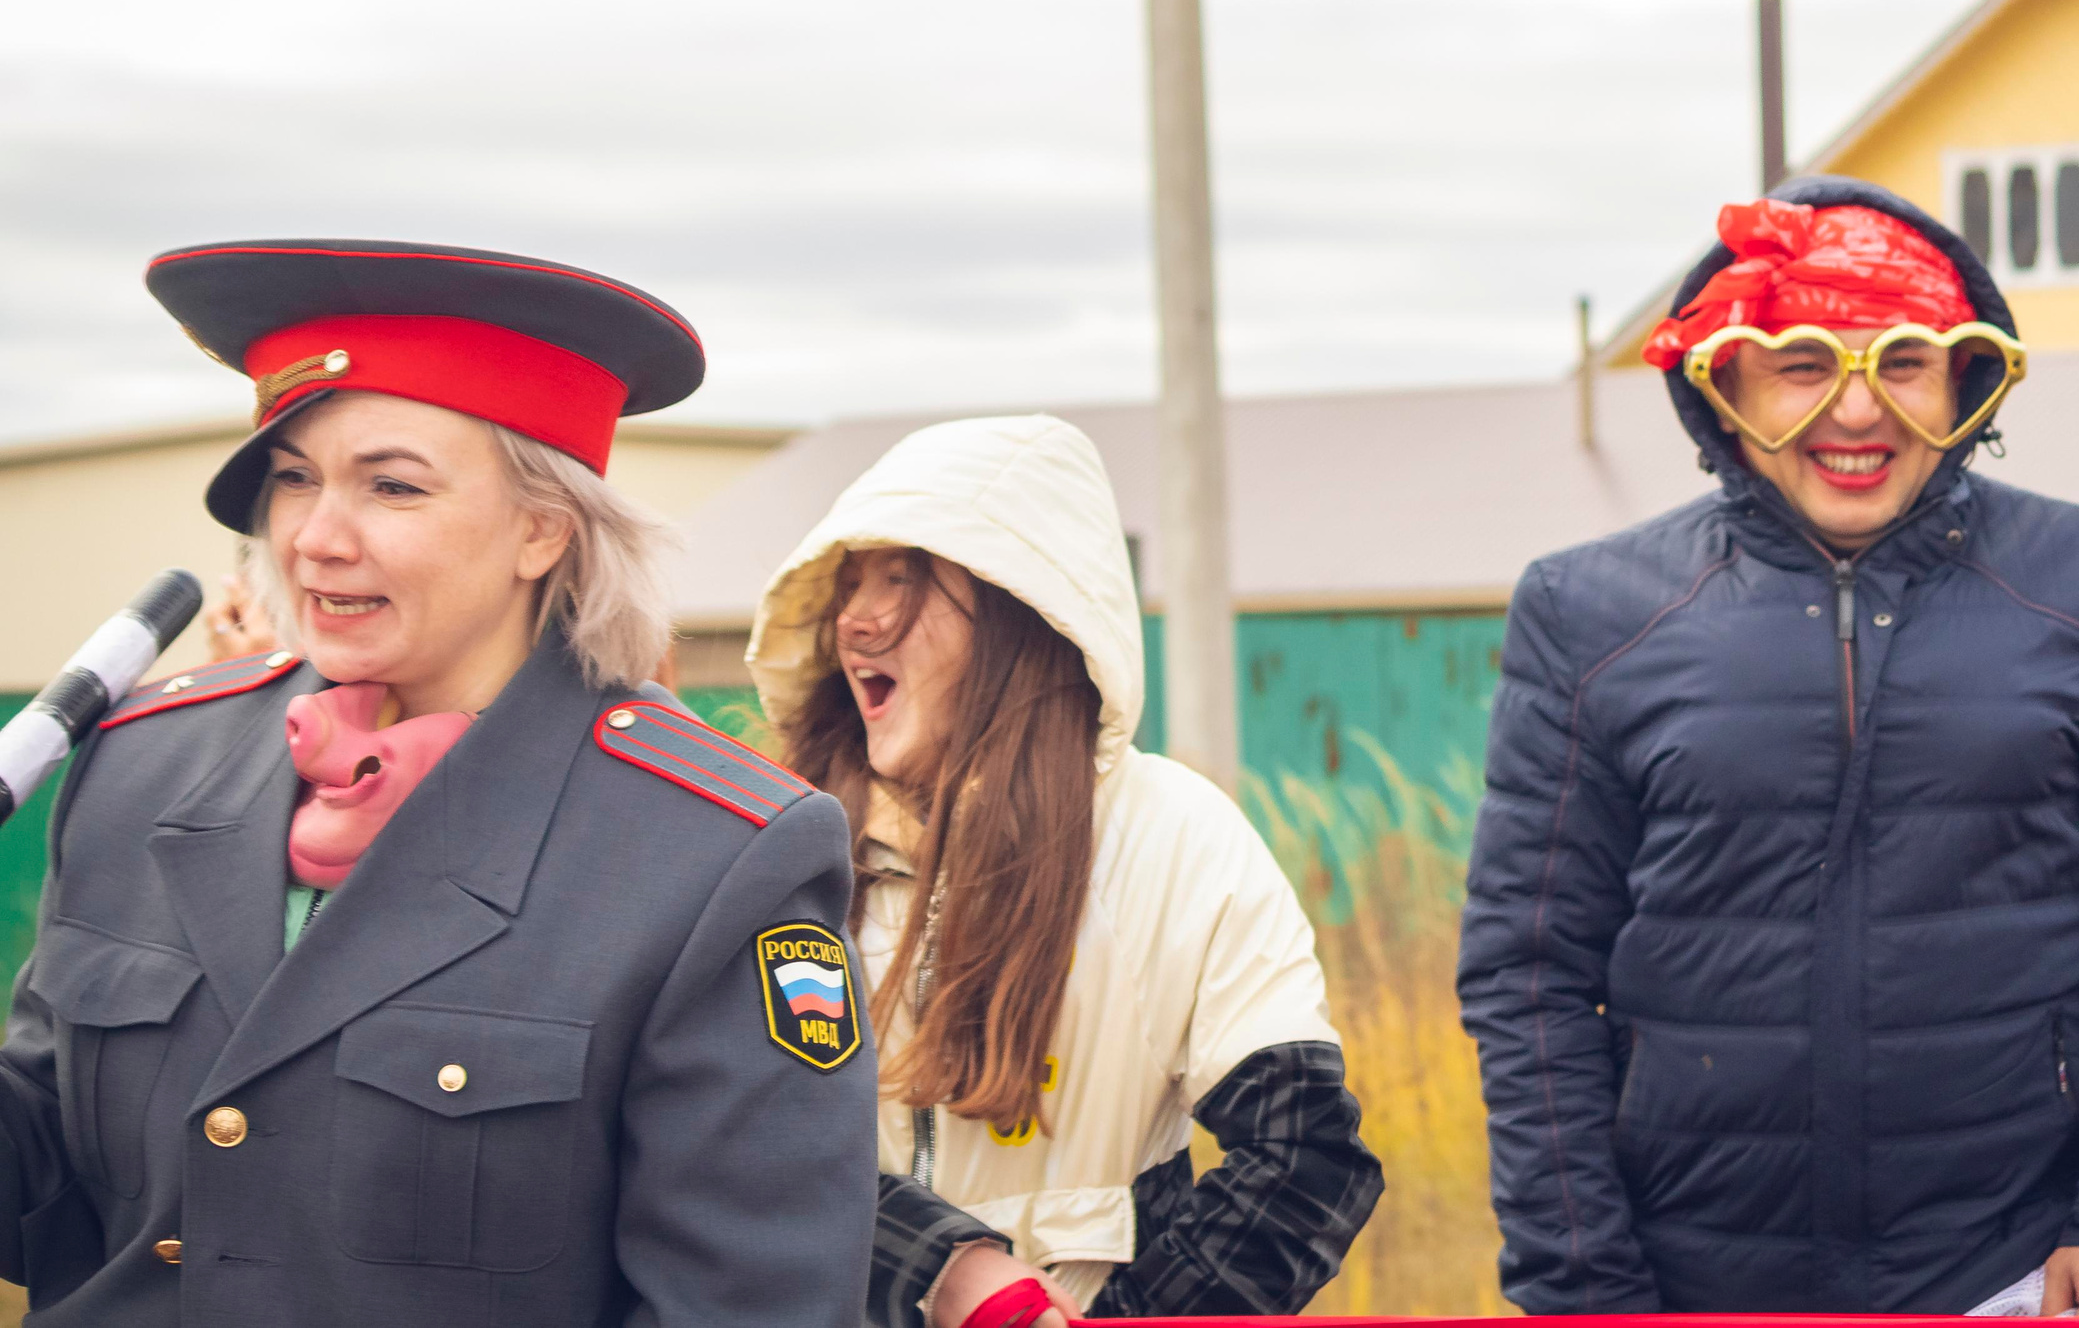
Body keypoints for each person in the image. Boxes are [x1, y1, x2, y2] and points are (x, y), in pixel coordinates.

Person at [0, 238, 874, 1324]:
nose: (315, 538)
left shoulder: (713, 852)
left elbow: (749, 1301)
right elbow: (41, 1164)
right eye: (292, 479)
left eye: (392, 486)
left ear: (543, 530)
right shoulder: (140, 762)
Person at [1461, 181, 2079, 1316]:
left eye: (1900, 361)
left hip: (2014, 1274)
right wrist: (1581, 1287)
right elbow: (1528, 976)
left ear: (1964, 379)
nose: (1854, 411)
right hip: (1687, 1285)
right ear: (1722, 385)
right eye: (1800, 363)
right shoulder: (1587, 612)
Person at [747, 414, 1383, 1327]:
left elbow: (1305, 1159)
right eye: (848, 582)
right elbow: (741, 1144)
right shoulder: (786, 851)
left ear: (1022, 606)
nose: (857, 617)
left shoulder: (1173, 837)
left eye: (906, 576)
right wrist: (949, 1272)